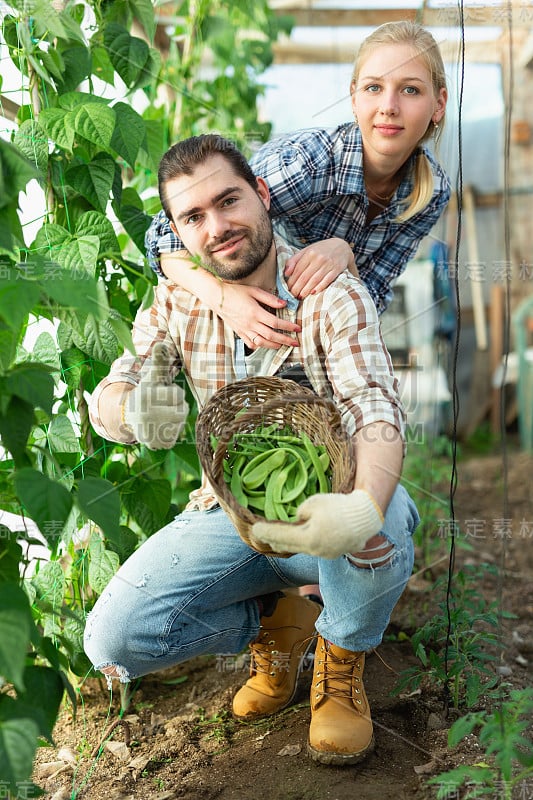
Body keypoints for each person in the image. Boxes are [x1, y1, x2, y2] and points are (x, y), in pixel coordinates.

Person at [84, 133, 419, 767]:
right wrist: (128, 410)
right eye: (193, 217)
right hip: (231, 518)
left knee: (391, 520)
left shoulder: (327, 289)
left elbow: (374, 409)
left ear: (263, 195)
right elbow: (117, 381)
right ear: (177, 237)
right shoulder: (180, 298)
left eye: (229, 200)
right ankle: (275, 627)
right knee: (114, 639)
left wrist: (359, 509)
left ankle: (341, 656)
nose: (217, 227)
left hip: (328, 515)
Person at [144, 20, 450, 352]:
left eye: (410, 90)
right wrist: (225, 300)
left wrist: (344, 255)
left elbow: (373, 295)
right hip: (238, 327)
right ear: (353, 97)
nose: (389, 106)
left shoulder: (430, 193)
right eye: (374, 88)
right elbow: (164, 235)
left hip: (315, 341)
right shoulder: (308, 165)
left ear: (439, 103)